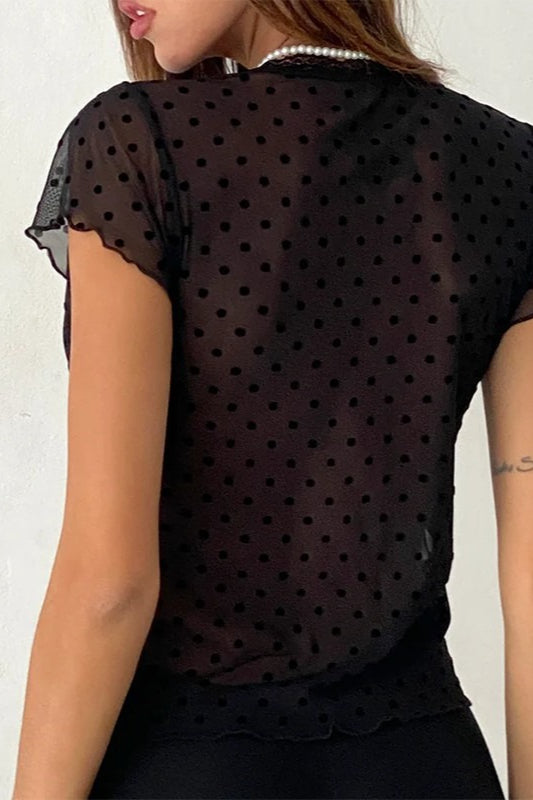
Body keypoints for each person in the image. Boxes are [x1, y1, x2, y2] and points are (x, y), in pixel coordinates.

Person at [13, 0, 533, 797]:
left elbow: (108, 586)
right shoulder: (510, 167)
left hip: (191, 765)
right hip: (425, 765)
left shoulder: (139, 144)